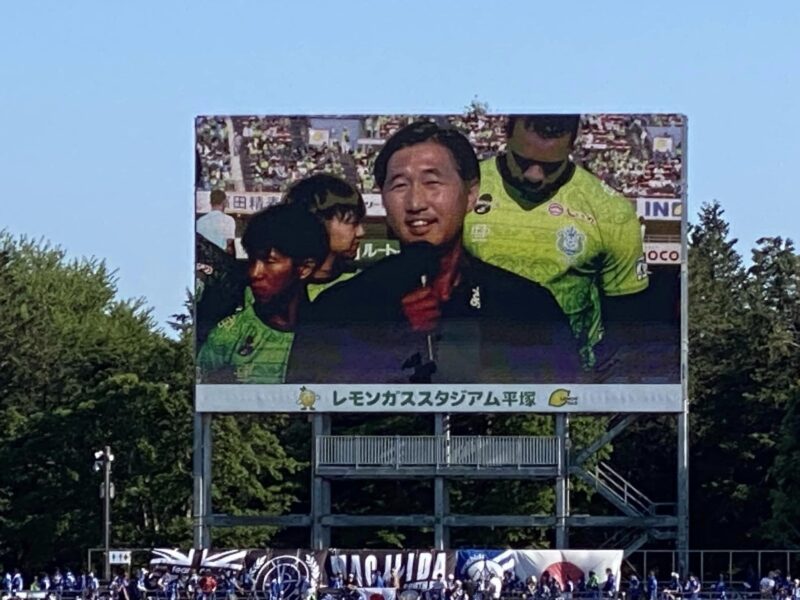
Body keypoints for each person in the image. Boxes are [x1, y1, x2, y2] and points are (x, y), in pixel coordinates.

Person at [287, 121, 577, 383]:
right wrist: (390, 347)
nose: (415, 202)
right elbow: (304, 418)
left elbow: (568, 412)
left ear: (471, 195)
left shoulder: (529, 307)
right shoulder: (336, 311)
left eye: (432, 182)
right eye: (399, 185)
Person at [463, 115, 658, 376]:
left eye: (550, 166)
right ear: (505, 136)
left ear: (572, 147)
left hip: (563, 379)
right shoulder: (460, 191)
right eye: (522, 161)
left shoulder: (611, 212)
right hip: (467, 376)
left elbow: (628, 325)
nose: (534, 175)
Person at [197, 203, 328, 383]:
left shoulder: (331, 334)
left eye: (269, 261)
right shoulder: (227, 336)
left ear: (304, 268)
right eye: (252, 259)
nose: (254, 273)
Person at [282, 173, 366, 300]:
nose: (361, 232)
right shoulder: (275, 288)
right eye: (352, 222)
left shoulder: (362, 284)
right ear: (318, 223)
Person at [197, 189, 237, 254]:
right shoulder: (228, 220)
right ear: (224, 202)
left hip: (203, 258)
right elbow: (229, 241)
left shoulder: (200, 221)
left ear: (210, 202)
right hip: (220, 257)